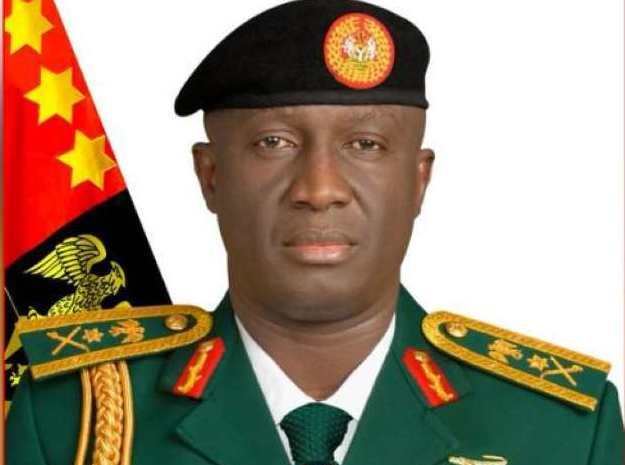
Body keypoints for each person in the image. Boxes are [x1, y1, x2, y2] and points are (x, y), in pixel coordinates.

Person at [7, 1, 624, 465]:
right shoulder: (69, 417)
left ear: (418, 180)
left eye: (366, 144)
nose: (320, 187)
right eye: (273, 143)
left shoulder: (561, 431)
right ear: (211, 176)